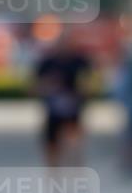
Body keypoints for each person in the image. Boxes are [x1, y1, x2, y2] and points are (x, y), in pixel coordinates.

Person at [35, 31, 92, 167]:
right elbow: (35, 86)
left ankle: (75, 171)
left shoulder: (80, 62)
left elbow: (91, 82)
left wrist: (82, 92)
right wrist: (49, 86)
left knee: (74, 141)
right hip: (53, 109)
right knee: (52, 143)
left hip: (74, 107)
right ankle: (53, 172)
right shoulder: (47, 63)